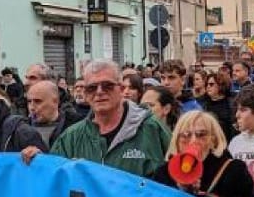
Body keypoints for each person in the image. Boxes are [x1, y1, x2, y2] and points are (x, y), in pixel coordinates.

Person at [39, 60, 170, 177]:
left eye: (107, 86)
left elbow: (180, 179)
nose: (99, 92)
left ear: (122, 89)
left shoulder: (152, 129)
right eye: (92, 88)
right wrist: (37, 161)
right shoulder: (71, 138)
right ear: (85, 93)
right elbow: (51, 181)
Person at [151, 111, 254, 197]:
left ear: (213, 140)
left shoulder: (234, 170)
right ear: (177, 140)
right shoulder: (164, 172)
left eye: (201, 135)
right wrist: (183, 191)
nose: (193, 141)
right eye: (185, 135)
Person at [27, 80, 73, 148]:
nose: (31, 107)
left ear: (55, 101)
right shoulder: (22, 128)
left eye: (38, 101)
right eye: (29, 101)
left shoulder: (73, 126)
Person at [198, 70, 237, 141]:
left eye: (211, 84)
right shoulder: (202, 103)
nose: (208, 87)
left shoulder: (232, 103)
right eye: (207, 84)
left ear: (221, 85)